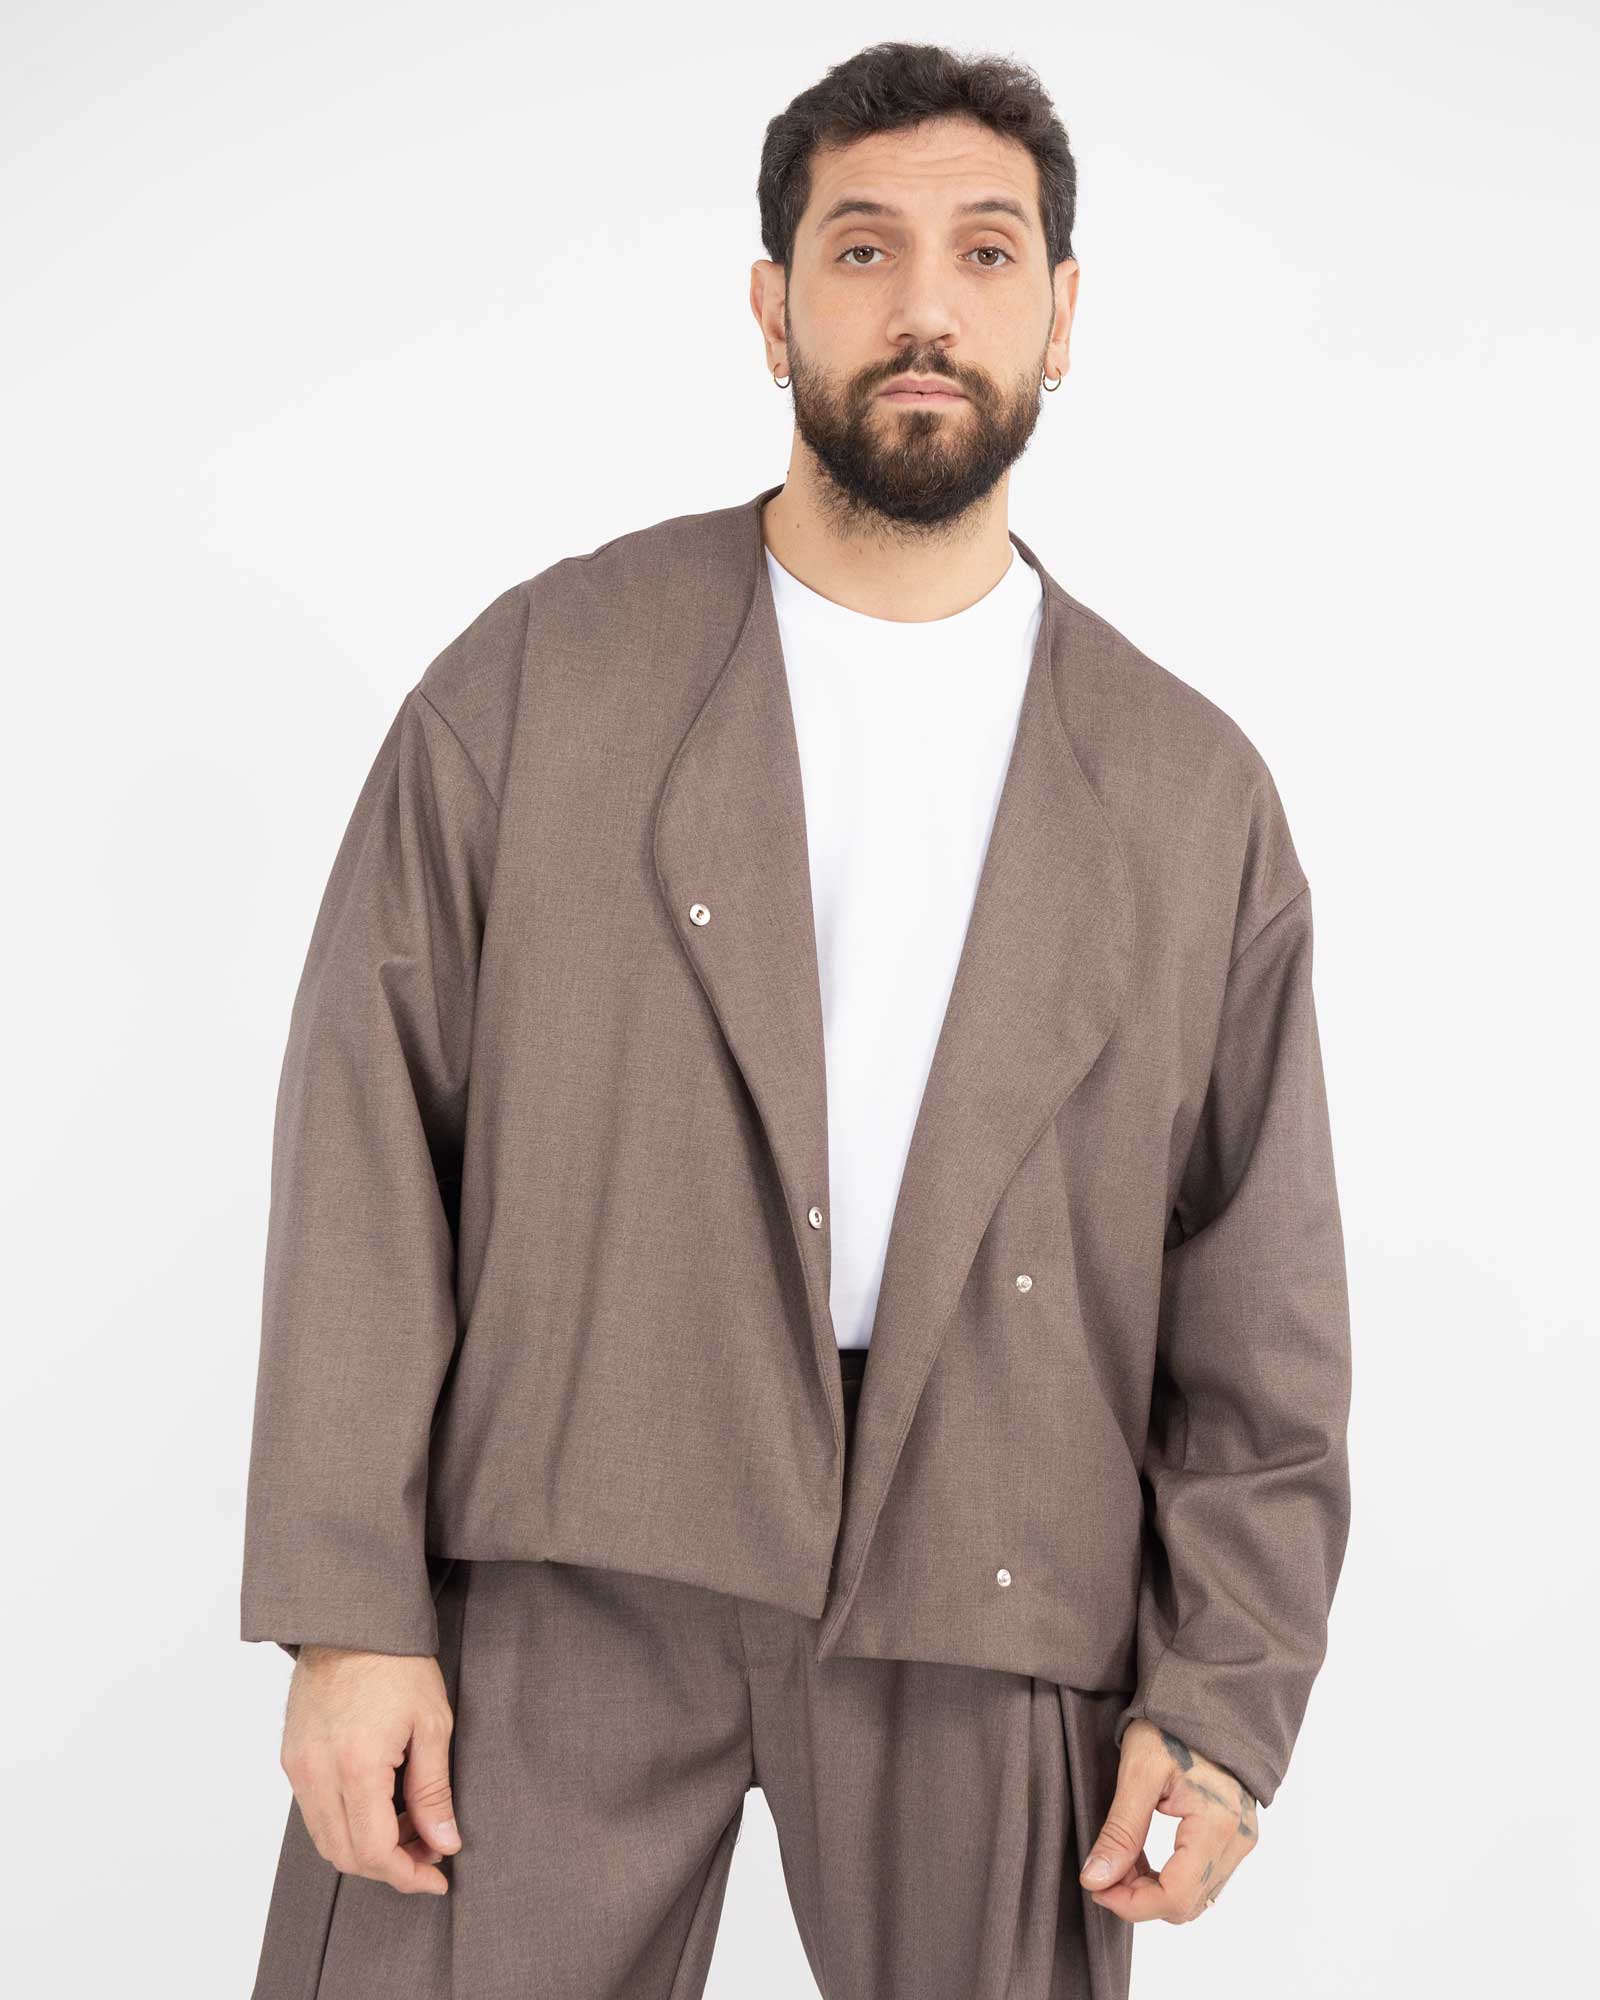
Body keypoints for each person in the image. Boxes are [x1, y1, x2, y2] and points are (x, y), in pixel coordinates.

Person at [242, 39, 1352, 2000]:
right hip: (566, 1545)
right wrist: (350, 1608)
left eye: (984, 252)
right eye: (860, 249)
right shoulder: (539, 682)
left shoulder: (1189, 796)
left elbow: (1256, 1295)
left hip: (995, 1575)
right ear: (770, 309)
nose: (924, 307)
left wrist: (1219, 1697)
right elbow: (364, 1136)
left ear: (1061, 315)